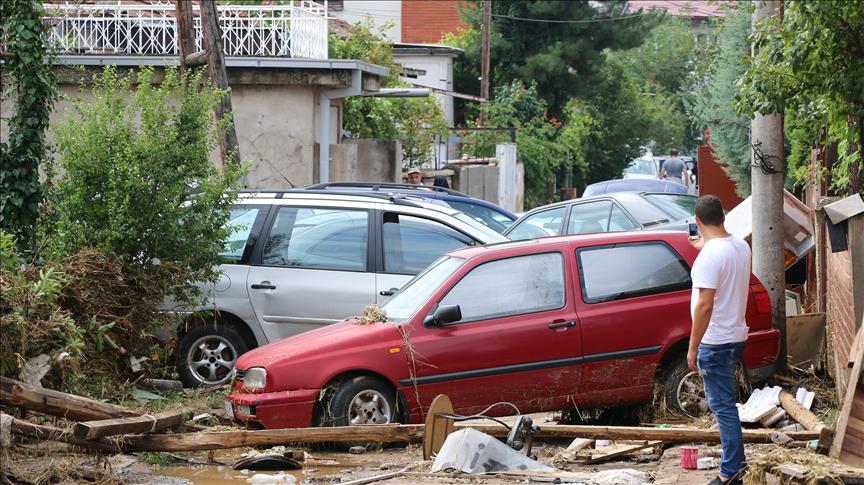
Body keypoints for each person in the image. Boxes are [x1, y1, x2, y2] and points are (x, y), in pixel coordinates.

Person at [687, 195, 751, 485]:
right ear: (722, 217)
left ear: (698, 221)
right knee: (727, 405)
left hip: (715, 340)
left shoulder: (709, 257)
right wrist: (705, 245)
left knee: (723, 407)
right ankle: (734, 465)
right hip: (736, 335)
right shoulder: (739, 245)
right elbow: (721, 253)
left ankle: (731, 471)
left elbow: (705, 306)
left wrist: (692, 346)